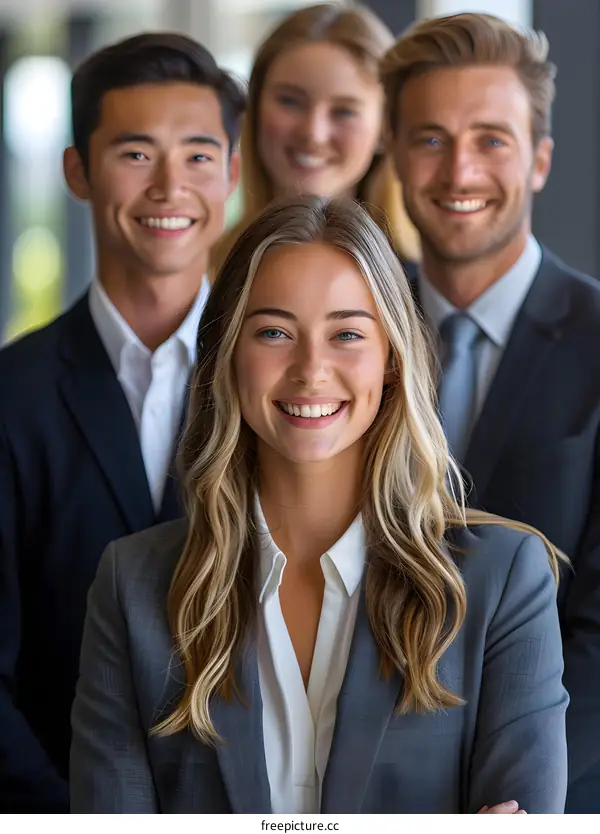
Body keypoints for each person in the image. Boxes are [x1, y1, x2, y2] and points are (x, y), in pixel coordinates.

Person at [70, 196, 567, 814]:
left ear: (390, 358)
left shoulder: (502, 582)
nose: (311, 369)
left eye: (347, 334)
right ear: (228, 353)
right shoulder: (133, 586)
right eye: (274, 332)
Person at [0, 33, 243, 812]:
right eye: (136, 154)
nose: (170, 187)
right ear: (78, 171)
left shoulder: (288, 384)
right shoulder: (13, 393)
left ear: (233, 174)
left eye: (200, 156)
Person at [380, 12, 600, 813]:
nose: (459, 168)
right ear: (397, 157)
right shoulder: (347, 334)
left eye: (492, 139)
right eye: (430, 138)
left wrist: (515, 794)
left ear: (539, 159)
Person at [211, 2, 420, 275]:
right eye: (290, 101)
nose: (313, 133)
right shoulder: (203, 274)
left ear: (385, 128)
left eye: (344, 111)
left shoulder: (425, 295)